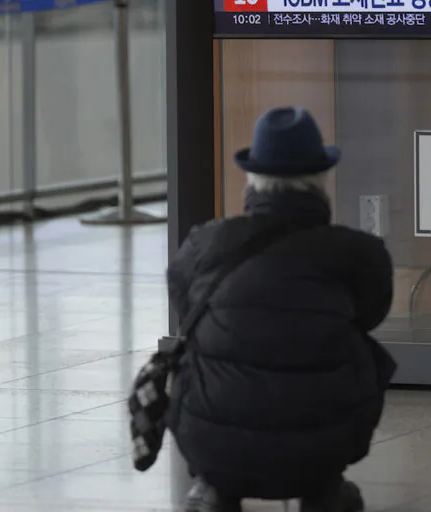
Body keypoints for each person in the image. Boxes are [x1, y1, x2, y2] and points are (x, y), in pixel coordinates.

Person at [167, 107, 396, 512]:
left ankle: (216, 486)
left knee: (196, 348)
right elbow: (371, 314)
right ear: (321, 180)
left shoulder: (206, 244)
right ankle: (322, 488)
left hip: (214, 444)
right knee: (364, 350)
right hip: (321, 446)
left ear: (252, 180)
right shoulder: (358, 252)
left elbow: (183, 304)